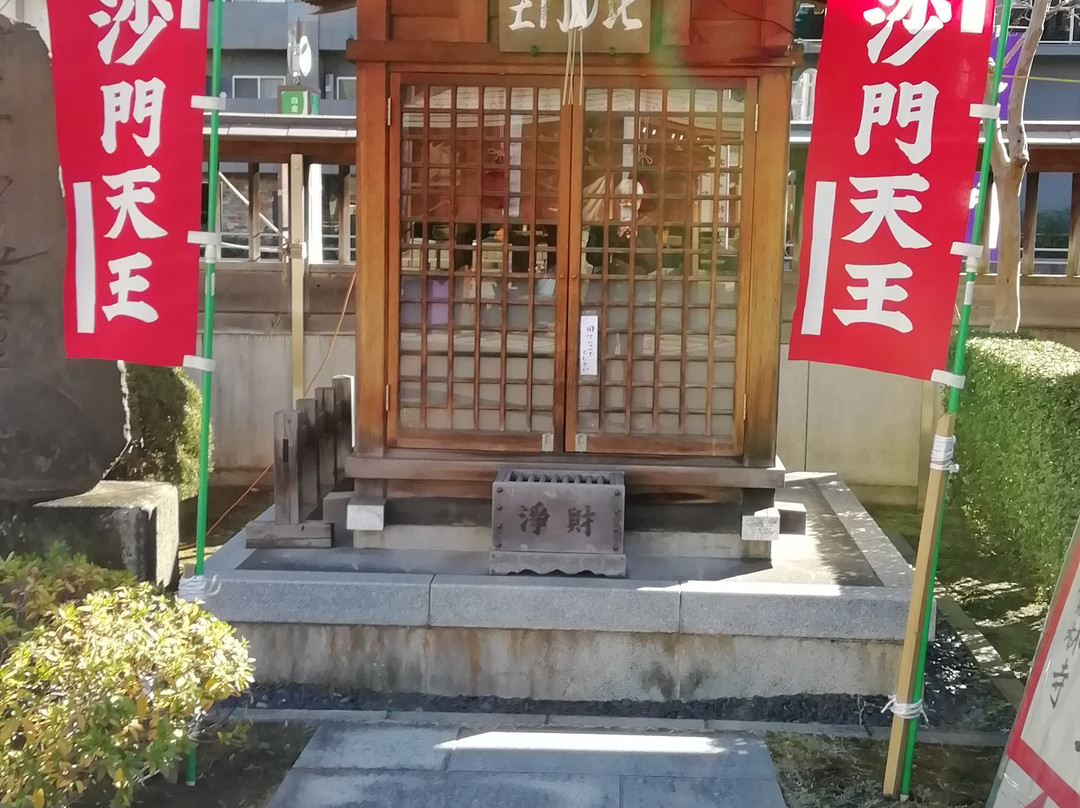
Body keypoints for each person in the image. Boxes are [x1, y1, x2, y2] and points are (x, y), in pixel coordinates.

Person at [585, 178, 658, 277]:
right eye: (624, 201)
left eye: (632, 201)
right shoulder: (600, 227)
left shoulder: (646, 228)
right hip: (606, 284)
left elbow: (653, 263)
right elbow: (592, 258)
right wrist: (617, 236)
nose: (628, 205)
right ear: (616, 202)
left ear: (639, 203)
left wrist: (634, 240)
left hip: (637, 286)